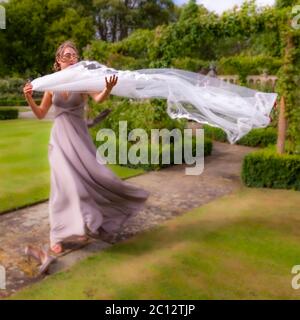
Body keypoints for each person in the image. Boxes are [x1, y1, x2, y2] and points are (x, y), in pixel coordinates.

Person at [23, 40, 150, 255]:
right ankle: (58, 233)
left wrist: (107, 88)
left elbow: (99, 99)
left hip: (79, 139)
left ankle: (88, 221)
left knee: (95, 181)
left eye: (74, 55)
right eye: (66, 55)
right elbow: (41, 114)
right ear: (58, 60)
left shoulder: (82, 81)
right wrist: (28, 97)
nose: (71, 58)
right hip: (60, 139)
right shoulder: (52, 85)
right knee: (63, 186)